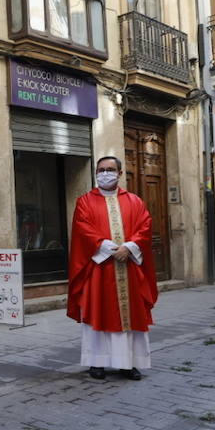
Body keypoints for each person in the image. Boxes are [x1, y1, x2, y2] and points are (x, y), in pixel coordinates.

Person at [67, 156, 160, 381]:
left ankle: (129, 364)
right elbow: (83, 229)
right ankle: (96, 362)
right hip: (99, 270)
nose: (105, 173)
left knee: (131, 316)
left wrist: (128, 247)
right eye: (101, 170)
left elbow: (145, 227)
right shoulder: (85, 201)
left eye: (110, 169)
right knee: (97, 312)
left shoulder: (135, 201)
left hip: (129, 268)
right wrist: (110, 248)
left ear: (119, 173)